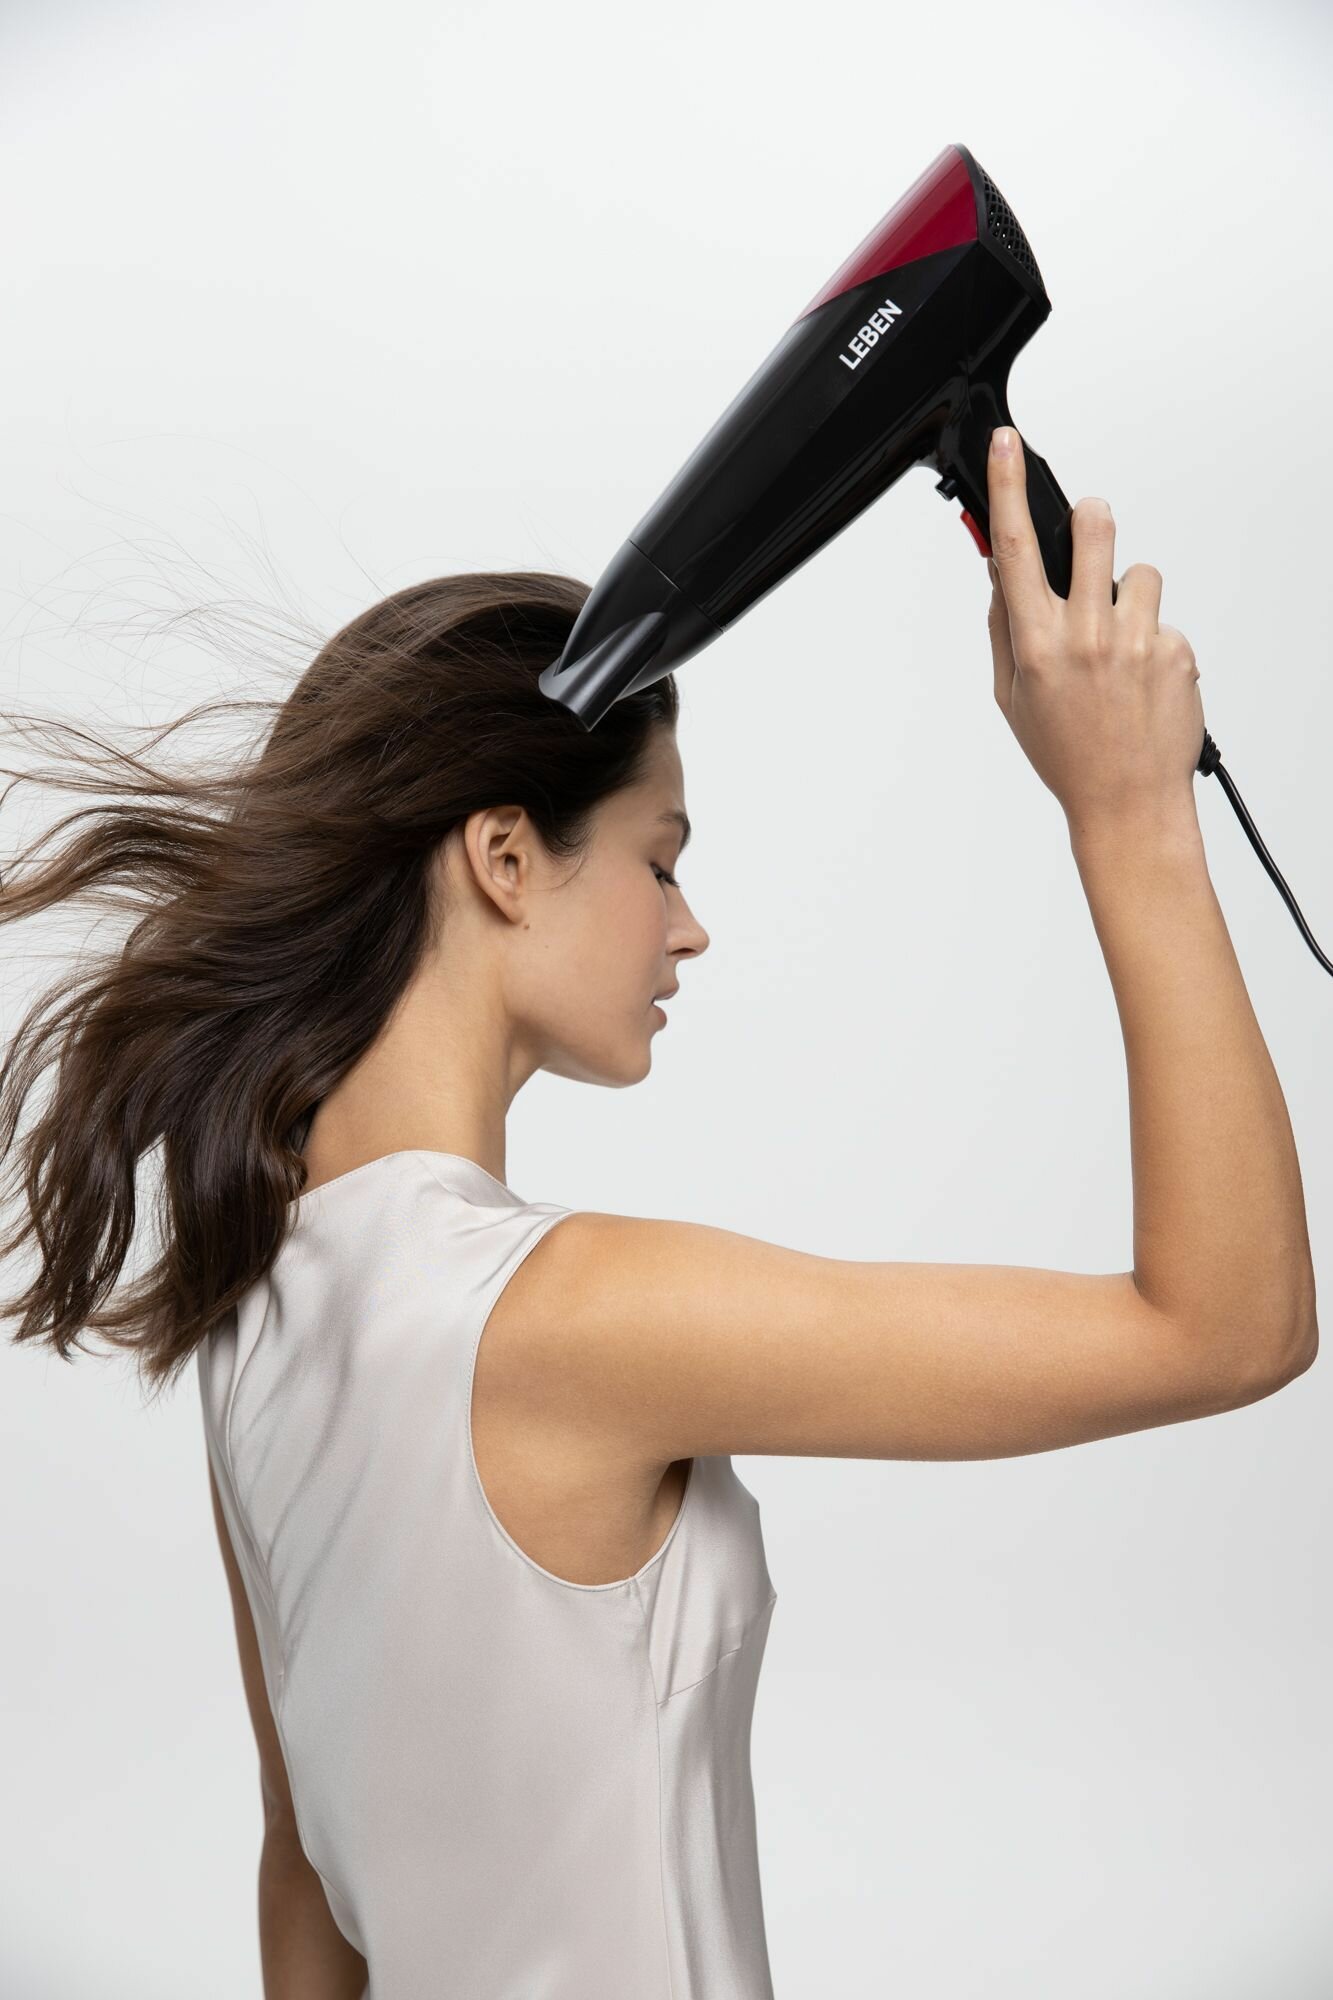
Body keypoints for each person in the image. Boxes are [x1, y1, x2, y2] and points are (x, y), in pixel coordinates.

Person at [3, 425, 1316, 1997]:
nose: (688, 928)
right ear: (504, 857)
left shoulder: (258, 1316)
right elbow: (1226, 1329)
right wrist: (1130, 811)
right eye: (660, 857)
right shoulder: (562, 1320)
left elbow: (308, 1881)